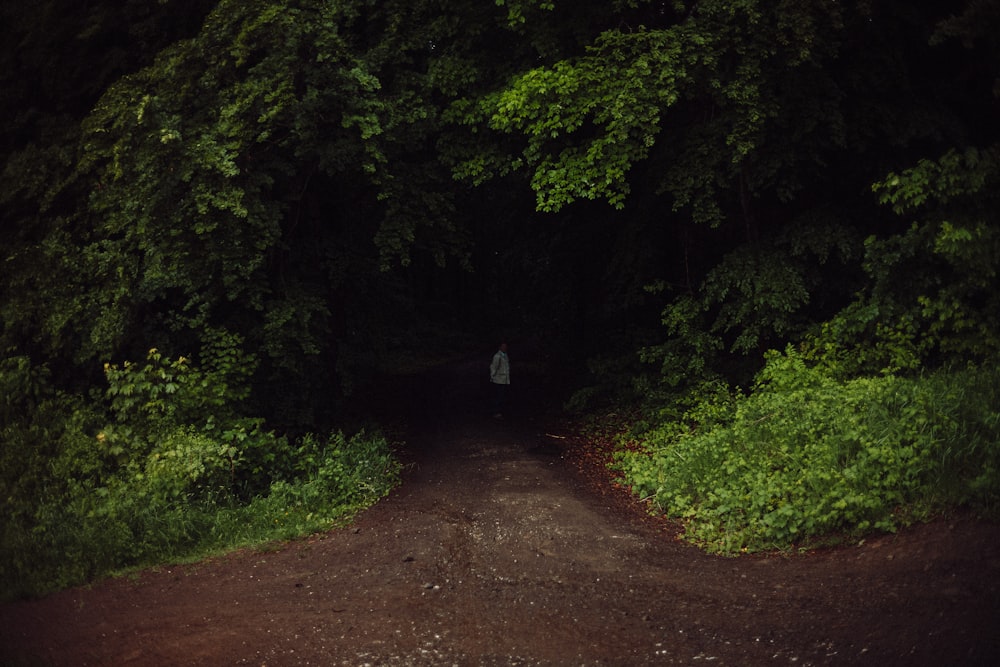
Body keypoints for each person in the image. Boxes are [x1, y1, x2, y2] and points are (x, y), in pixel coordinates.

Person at [489, 342, 509, 418]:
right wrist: (492, 377)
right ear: (500, 347)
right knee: (498, 396)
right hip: (498, 380)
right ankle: (495, 411)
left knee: (501, 396)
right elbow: (493, 367)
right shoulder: (497, 356)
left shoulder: (505, 355)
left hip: (504, 380)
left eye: (506, 346)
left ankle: (499, 410)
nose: (505, 348)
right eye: (503, 346)